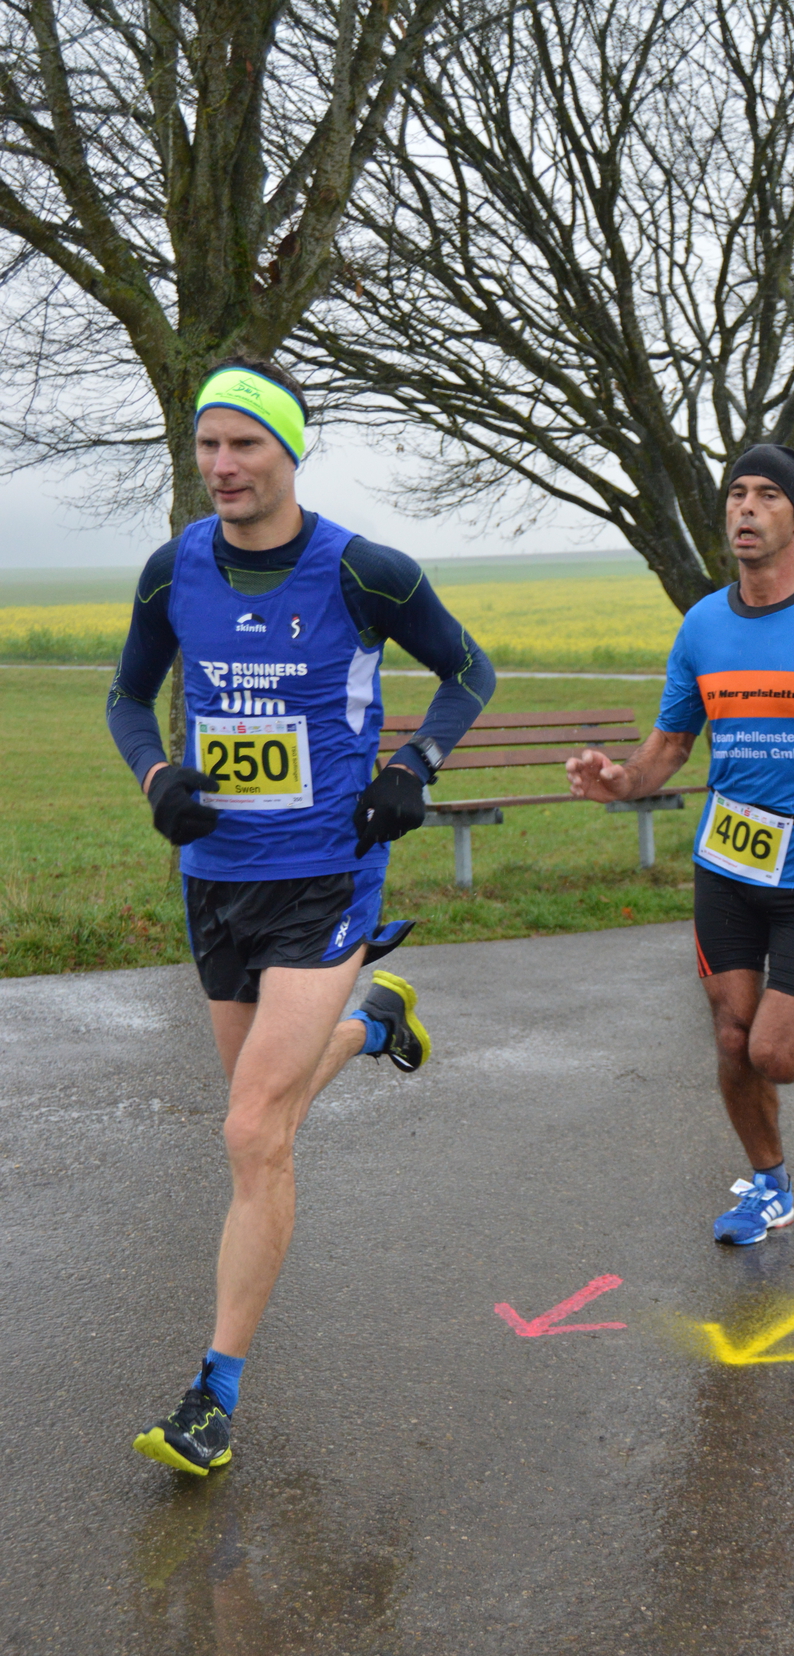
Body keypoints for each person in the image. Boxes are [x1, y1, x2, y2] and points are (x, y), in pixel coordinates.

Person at [108, 358, 495, 1474]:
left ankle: (213, 1395)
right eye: (209, 444)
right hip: (217, 879)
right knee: (262, 1114)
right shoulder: (173, 569)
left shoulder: (366, 572)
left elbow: (470, 672)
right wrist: (156, 778)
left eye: (246, 444)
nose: (223, 465)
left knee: (250, 1132)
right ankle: (373, 1024)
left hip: (330, 874)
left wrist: (414, 764)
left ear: (290, 450)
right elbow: (128, 696)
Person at [566, 444, 794, 1245]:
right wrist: (620, 781)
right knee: (732, 1037)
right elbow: (671, 744)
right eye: (737, 493)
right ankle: (770, 1186)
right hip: (726, 866)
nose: (747, 508)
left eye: (768, 495)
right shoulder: (702, 625)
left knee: (776, 1055)